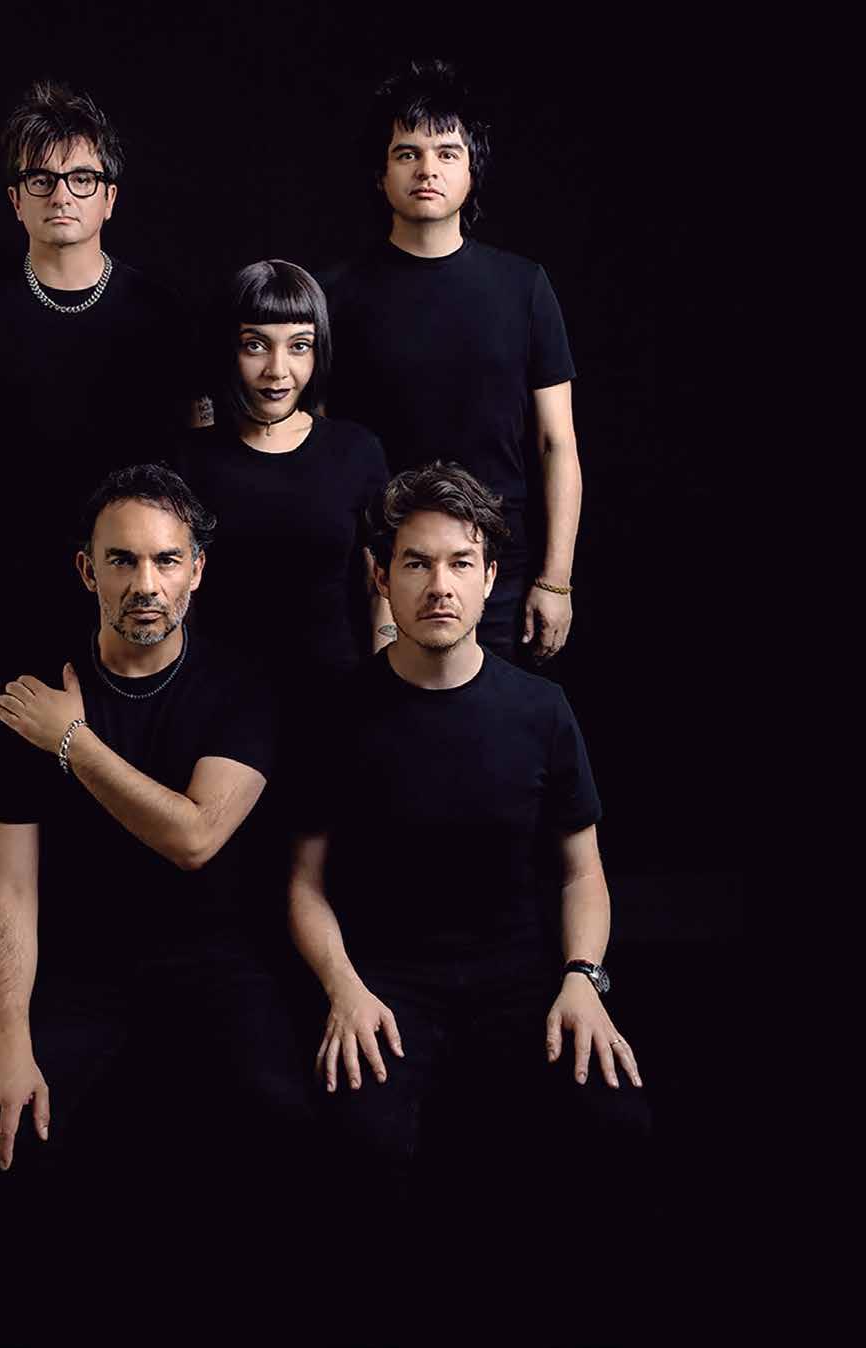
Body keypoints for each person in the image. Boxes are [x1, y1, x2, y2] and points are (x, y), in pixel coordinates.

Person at [289, 463, 650, 1344]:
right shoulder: (337, 713)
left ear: (491, 578)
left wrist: (582, 979)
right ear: (382, 577)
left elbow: (582, 873)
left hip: (521, 978)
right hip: (387, 985)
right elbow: (303, 883)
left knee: (615, 1125)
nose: (439, 585)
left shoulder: (540, 709)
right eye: (415, 563)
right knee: (359, 1151)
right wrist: (342, 988)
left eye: (459, 563)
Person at [0, 463, 314, 1339]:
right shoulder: (30, 697)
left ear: (197, 570)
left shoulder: (241, 686)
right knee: (4, 1139)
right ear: (87, 570)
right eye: (121, 560)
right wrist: (7, 1040)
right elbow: (9, 886)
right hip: (85, 967)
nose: (144, 584)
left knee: (286, 1119)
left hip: (219, 957)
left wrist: (72, 741)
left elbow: (194, 838)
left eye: (165, 560)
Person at [0, 80, 198, 681]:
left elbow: (194, 458)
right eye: (41, 179)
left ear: (109, 198)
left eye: (81, 178)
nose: (61, 194)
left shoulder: (161, 313)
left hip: (129, 589)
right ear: (16, 200)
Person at [321, 59, 581, 665]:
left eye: (446, 153)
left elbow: (557, 444)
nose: (427, 169)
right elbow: (318, 441)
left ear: (471, 171)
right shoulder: (335, 295)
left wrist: (556, 580)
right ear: (381, 173)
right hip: (375, 568)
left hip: (495, 570)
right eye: (407, 154)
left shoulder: (524, 287)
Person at [181, 260, 393, 921]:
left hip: (331, 697)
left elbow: (380, 579)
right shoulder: (190, 458)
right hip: (219, 707)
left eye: (298, 346)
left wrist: (384, 678)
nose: (278, 370)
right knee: (227, 893)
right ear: (230, 347)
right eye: (256, 345)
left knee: (327, 882)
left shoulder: (355, 451)